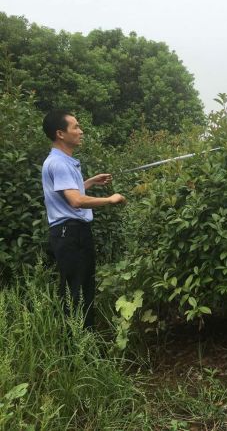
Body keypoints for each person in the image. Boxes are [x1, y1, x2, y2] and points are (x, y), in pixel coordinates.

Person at [42, 110, 126, 329]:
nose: (81, 131)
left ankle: (81, 340)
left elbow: (66, 191)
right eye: (76, 127)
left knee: (80, 287)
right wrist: (110, 199)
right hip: (71, 233)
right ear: (60, 133)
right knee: (77, 291)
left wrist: (89, 182)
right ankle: (78, 345)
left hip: (70, 232)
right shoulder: (59, 163)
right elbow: (76, 201)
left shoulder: (63, 161)